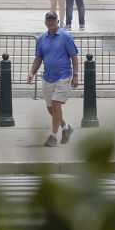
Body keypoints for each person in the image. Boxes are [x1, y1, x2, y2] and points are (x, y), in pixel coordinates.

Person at [26, 10, 79, 146]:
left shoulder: (65, 36)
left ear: (57, 22)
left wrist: (76, 76)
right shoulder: (42, 39)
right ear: (45, 23)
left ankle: (53, 136)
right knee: (51, 109)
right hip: (48, 77)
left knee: (56, 105)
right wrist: (32, 72)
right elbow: (38, 58)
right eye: (48, 20)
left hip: (63, 76)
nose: (51, 22)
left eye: (53, 20)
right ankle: (66, 128)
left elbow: (74, 56)